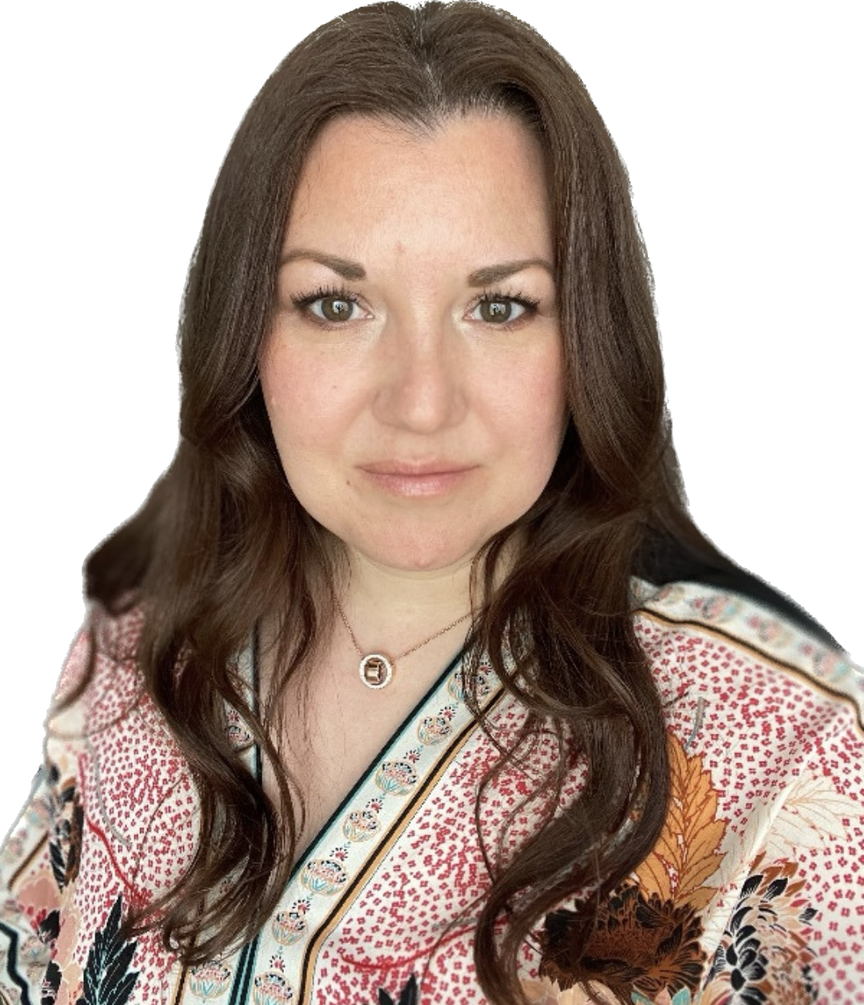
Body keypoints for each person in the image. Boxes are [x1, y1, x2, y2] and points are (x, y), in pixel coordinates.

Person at [2, 2, 861, 1003]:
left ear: (588, 335)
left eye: (499, 307)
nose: (420, 403)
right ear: (245, 334)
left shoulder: (791, 740)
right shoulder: (130, 657)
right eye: (336, 304)